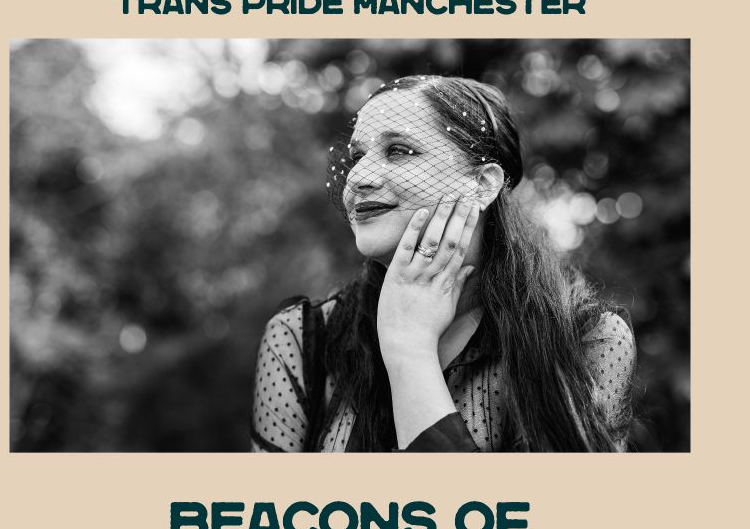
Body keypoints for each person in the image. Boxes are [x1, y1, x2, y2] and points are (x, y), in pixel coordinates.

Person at [251, 75, 635, 452]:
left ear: (483, 184)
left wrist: (410, 351)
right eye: (358, 157)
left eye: (399, 151)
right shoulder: (301, 339)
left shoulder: (586, 338)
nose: (358, 178)